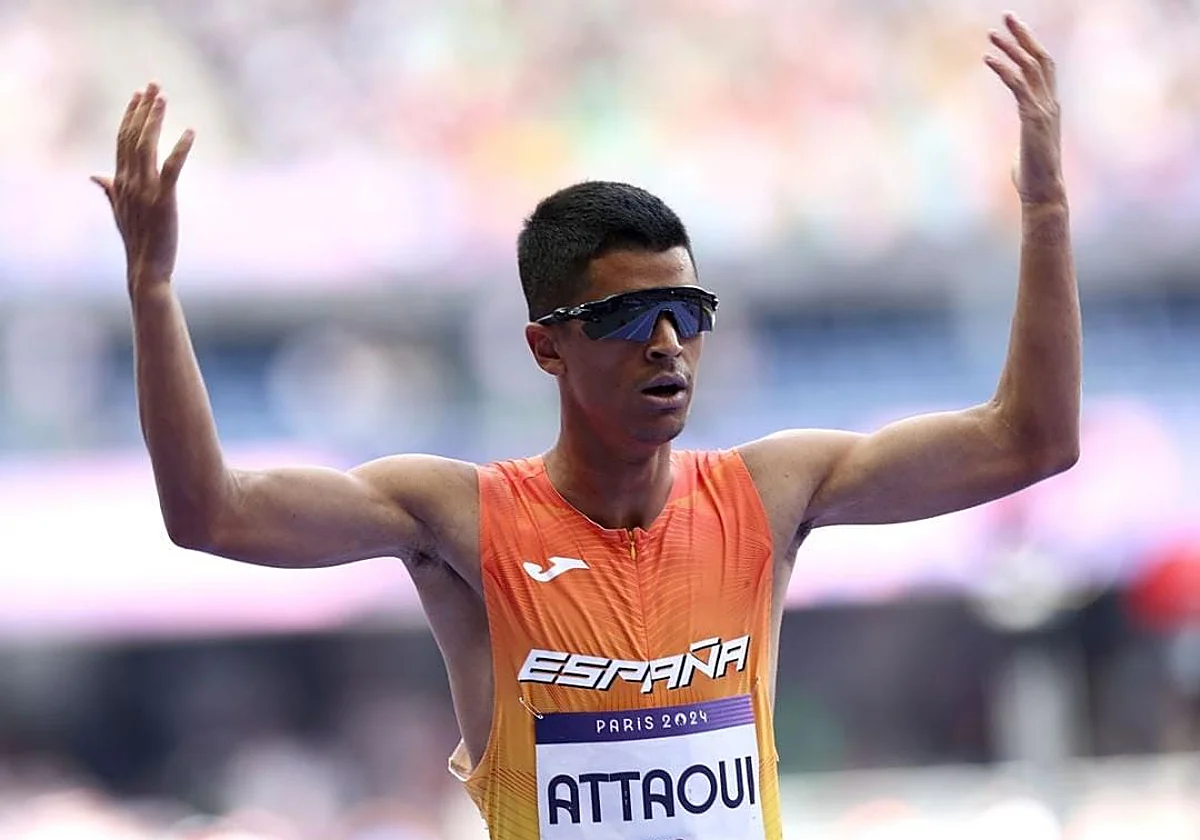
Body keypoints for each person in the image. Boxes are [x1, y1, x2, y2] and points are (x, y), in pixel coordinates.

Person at [92, 13, 1080, 840]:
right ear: (544, 347)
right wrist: (152, 288)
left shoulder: (770, 495)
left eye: (687, 314)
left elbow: (1031, 440)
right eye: (621, 319)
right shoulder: (458, 520)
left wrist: (1042, 208)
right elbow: (209, 513)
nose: (665, 344)